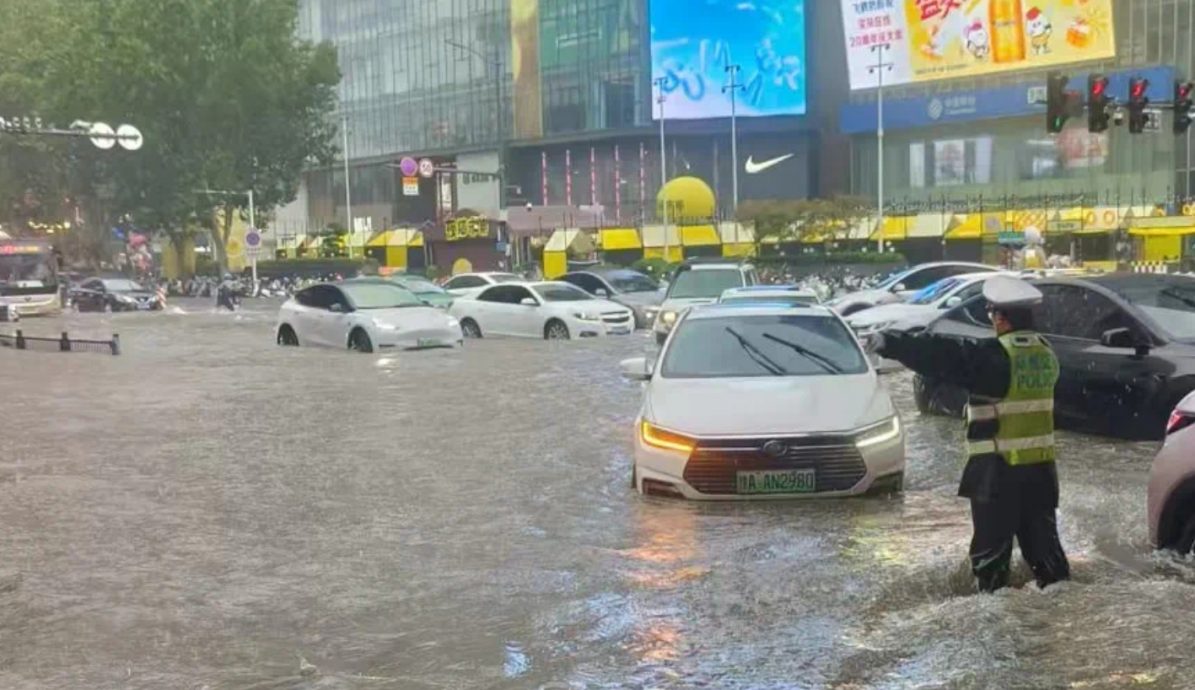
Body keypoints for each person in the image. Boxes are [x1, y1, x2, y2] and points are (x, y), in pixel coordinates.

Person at [875, 276, 1070, 592]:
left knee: (991, 559)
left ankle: (994, 617)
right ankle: (1057, 603)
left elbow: (944, 355)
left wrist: (892, 343)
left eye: (992, 314)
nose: (992, 321)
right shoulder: (1046, 354)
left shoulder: (996, 357)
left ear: (1002, 317)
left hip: (998, 472)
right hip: (1041, 471)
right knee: (1046, 555)